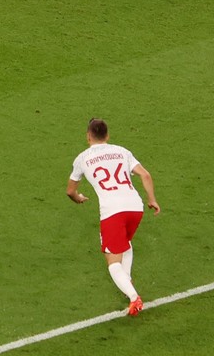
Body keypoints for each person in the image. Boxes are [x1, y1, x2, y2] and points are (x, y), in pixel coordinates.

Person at [67, 118, 159, 316]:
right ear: (107, 136)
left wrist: (79, 198)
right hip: (135, 207)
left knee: (112, 260)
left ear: (88, 136)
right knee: (124, 243)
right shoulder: (122, 151)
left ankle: (134, 298)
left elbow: (70, 191)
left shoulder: (82, 158)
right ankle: (127, 282)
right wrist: (152, 199)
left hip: (113, 211)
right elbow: (145, 175)